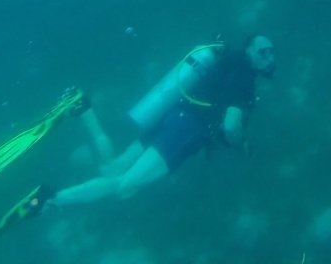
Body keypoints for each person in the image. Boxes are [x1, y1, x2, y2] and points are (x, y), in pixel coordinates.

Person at [44, 34, 275, 208]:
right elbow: (231, 123)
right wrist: (240, 144)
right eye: (264, 51)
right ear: (250, 49)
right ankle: (49, 201)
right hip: (187, 131)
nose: (270, 57)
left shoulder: (225, 60)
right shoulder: (245, 75)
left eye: (272, 52)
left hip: (171, 117)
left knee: (113, 168)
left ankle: (85, 111)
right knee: (124, 188)